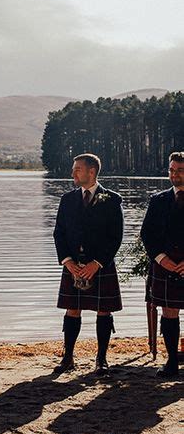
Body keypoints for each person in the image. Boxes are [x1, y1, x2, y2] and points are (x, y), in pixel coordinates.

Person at [53, 153, 123, 375]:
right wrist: (67, 262)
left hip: (100, 266)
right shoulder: (67, 199)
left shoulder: (112, 199)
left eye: (77, 169)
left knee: (104, 311)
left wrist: (98, 263)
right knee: (72, 309)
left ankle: (101, 359)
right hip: (73, 264)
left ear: (91, 172)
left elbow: (116, 237)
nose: (73, 173)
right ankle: (68, 358)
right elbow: (59, 233)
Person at [141, 151, 184, 378]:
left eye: (180, 170)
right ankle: (171, 362)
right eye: (171, 170)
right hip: (164, 265)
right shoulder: (158, 200)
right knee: (169, 313)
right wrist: (161, 259)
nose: (174, 174)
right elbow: (147, 234)